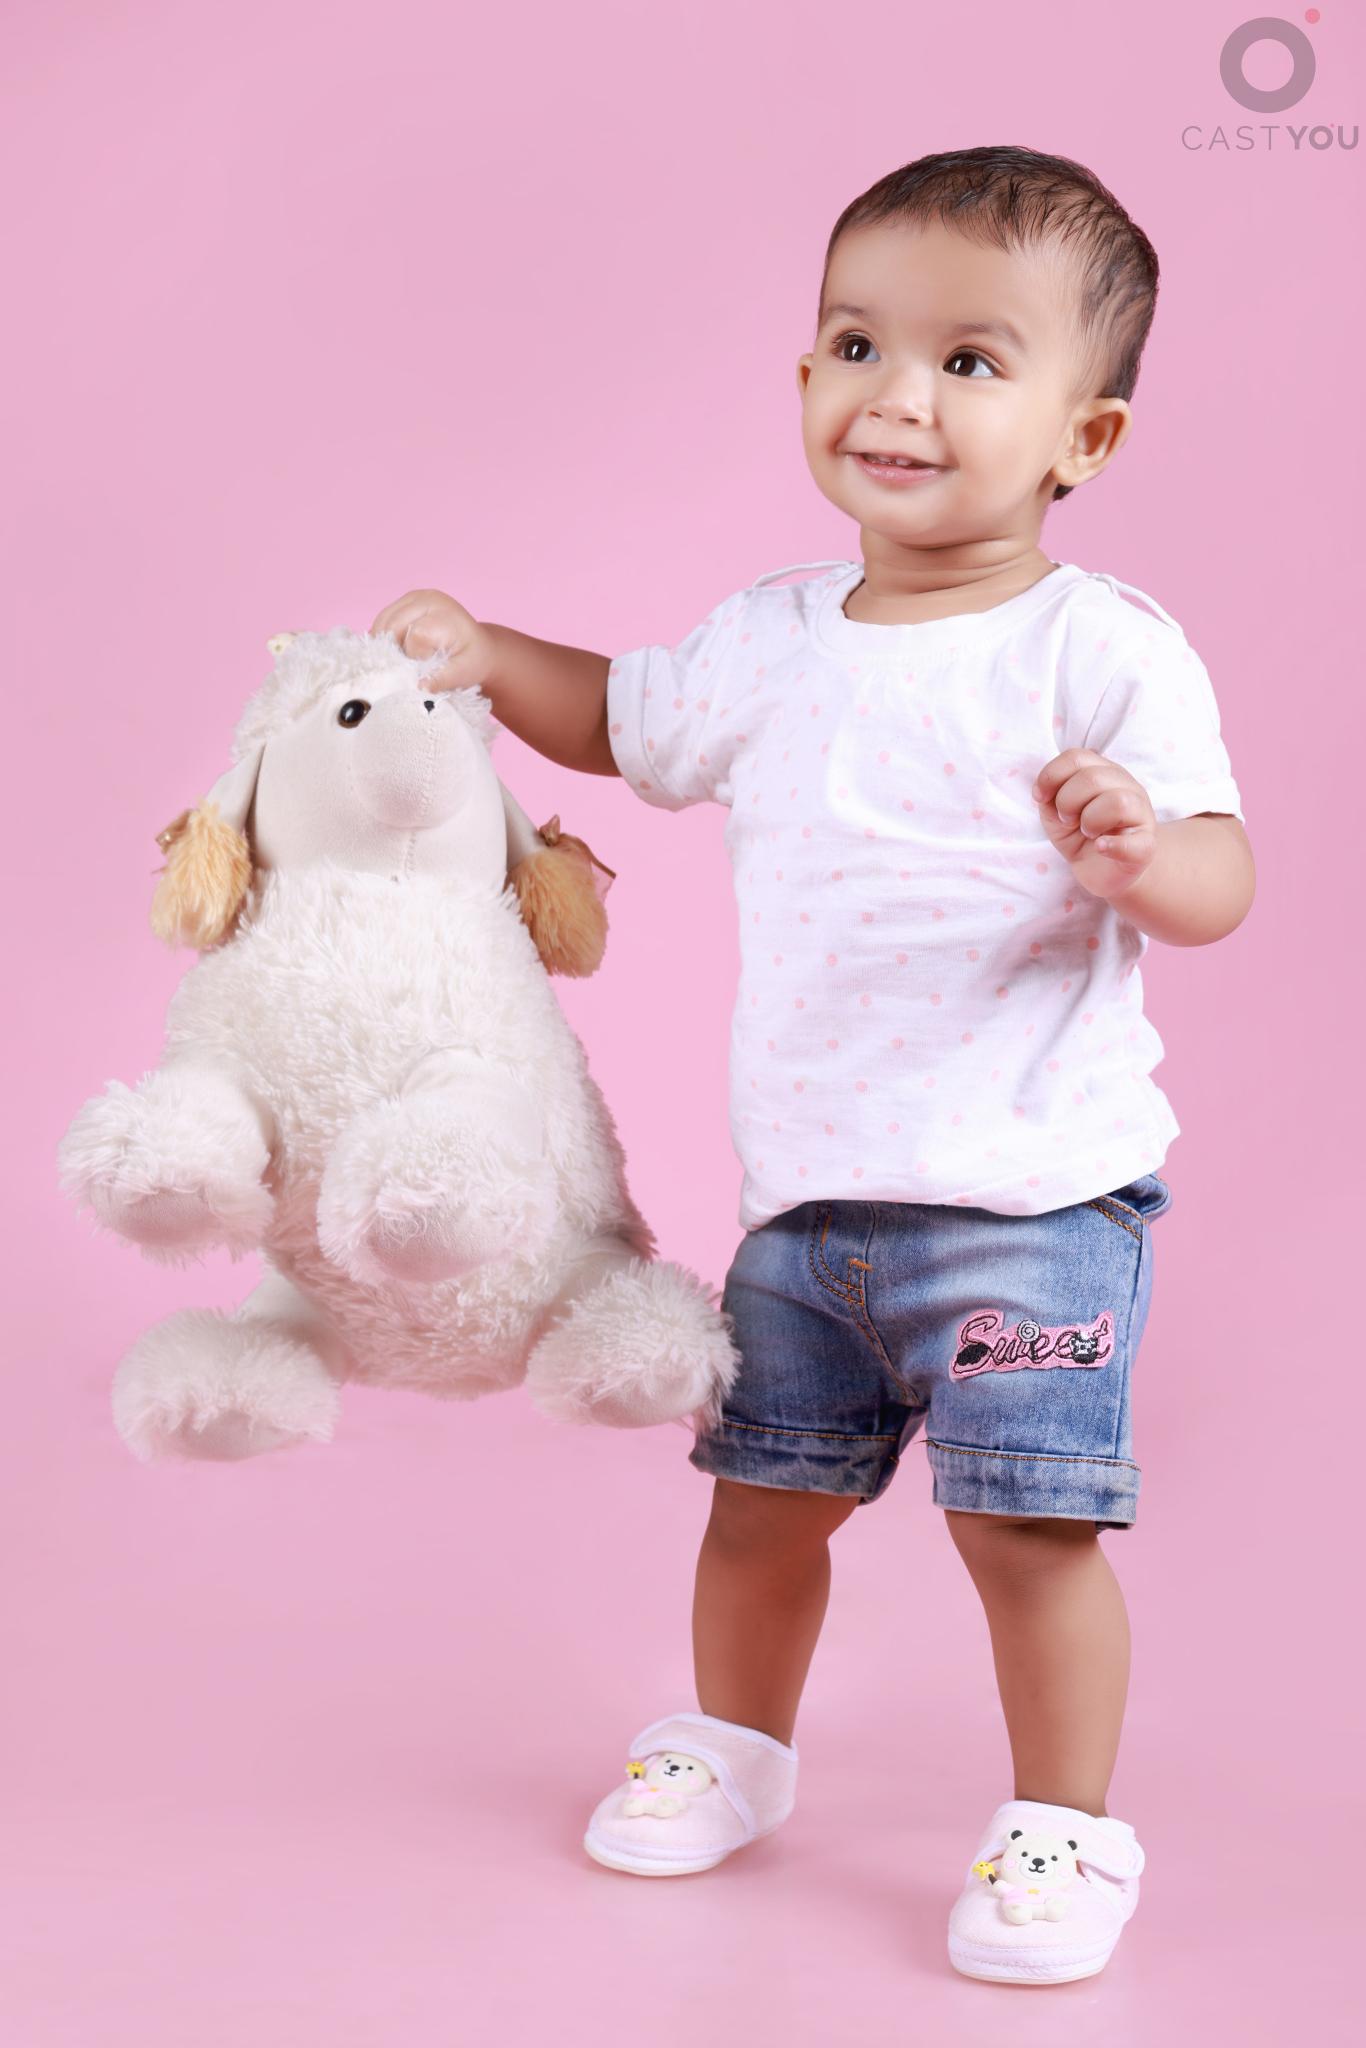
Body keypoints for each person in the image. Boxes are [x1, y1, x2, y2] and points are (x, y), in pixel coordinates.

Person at [370, 145, 1255, 1986]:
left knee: (1024, 1531)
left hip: (1028, 1207)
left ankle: (1063, 1829)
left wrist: (1137, 854)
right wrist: (484, 654)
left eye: (968, 361)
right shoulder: (768, 640)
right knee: (759, 1507)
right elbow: (617, 720)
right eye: (857, 345)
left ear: (1083, 439)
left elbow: (1220, 879)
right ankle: (737, 1747)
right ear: (802, 379)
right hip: (806, 1210)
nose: (896, 395)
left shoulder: (1096, 649)